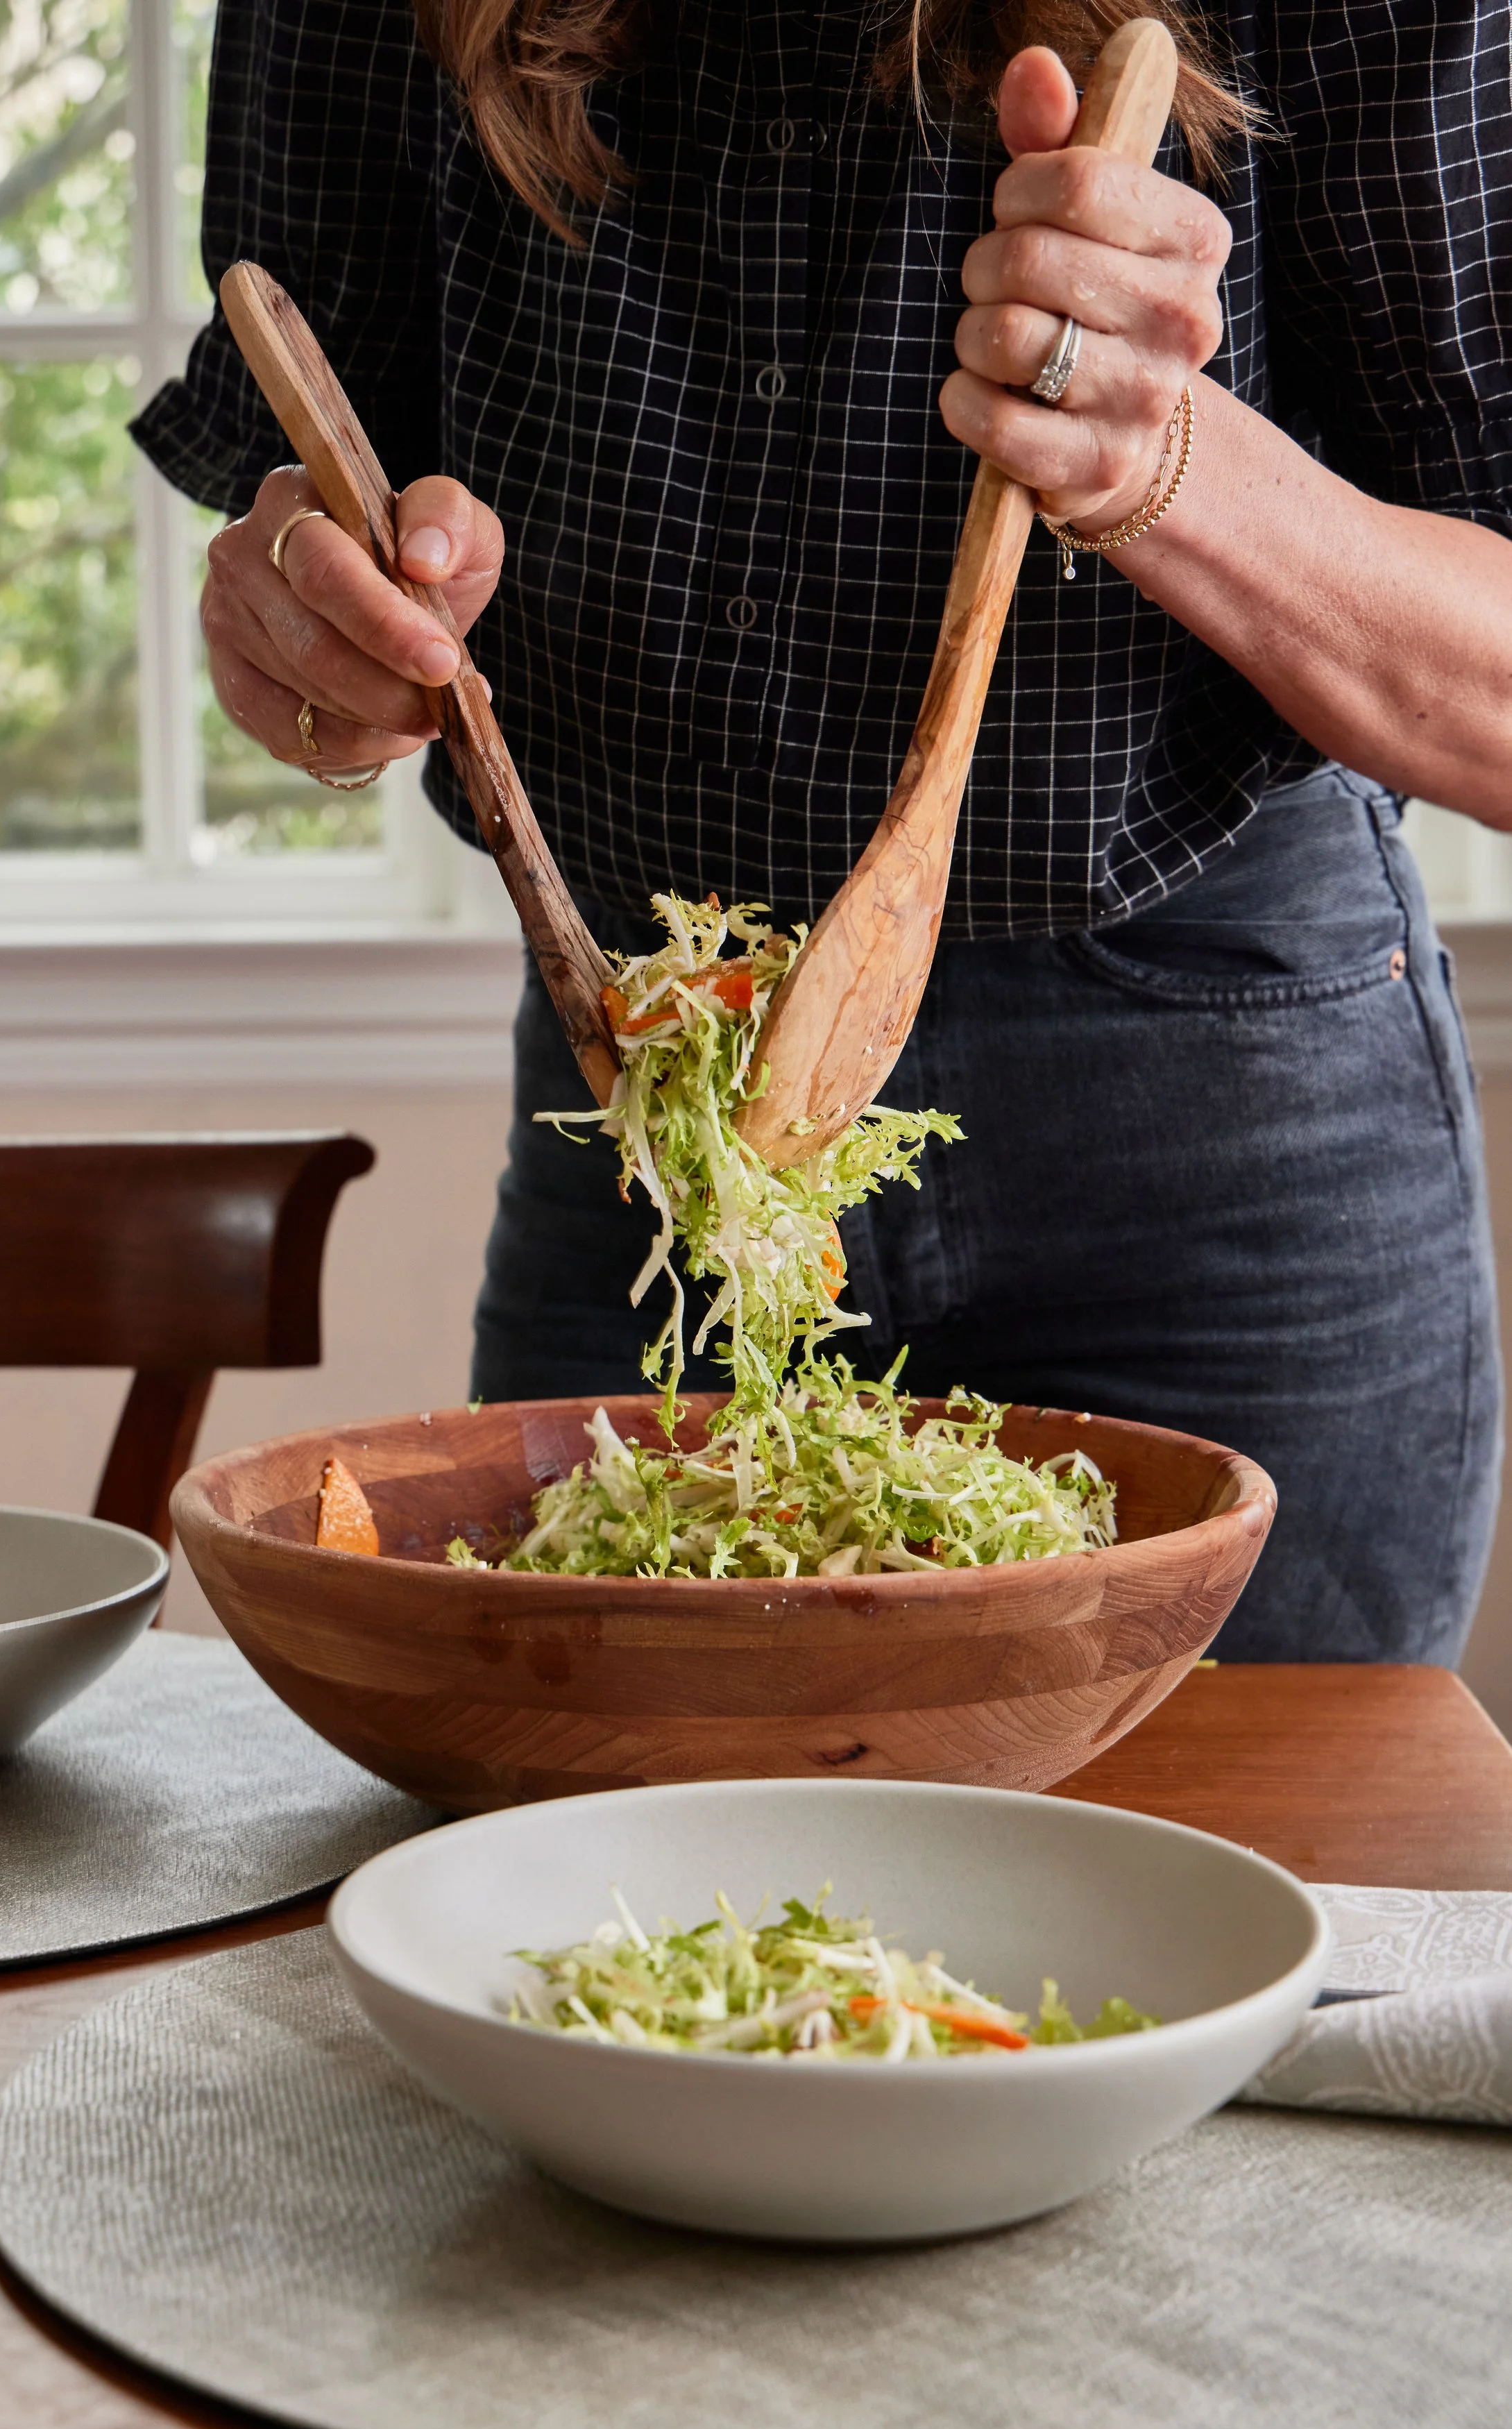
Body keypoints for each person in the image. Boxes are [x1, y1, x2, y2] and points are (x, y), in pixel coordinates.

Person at [135, 0, 1511, 1661]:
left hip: (1218, 1121)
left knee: (1274, 1884)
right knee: (606, 1885)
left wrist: (1160, 462)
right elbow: (314, 502)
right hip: (643, 1101)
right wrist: (317, 634)